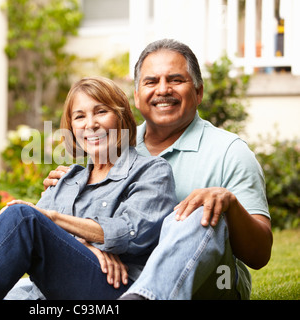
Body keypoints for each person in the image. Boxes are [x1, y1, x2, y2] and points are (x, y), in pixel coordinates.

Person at [44, 39, 273, 300]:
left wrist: (229, 205)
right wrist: (70, 189)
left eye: (176, 80)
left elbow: (260, 254)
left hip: (208, 285)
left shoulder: (230, 151)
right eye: (151, 82)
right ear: (137, 96)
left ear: (198, 92)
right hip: (119, 278)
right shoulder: (112, 144)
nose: (163, 90)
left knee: (198, 208)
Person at [0, 76, 177, 300]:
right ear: (72, 127)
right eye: (79, 117)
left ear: (121, 117)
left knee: (24, 217)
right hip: (54, 291)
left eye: (101, 112)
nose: (91, 124)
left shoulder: (152, 171)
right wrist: (83, 246)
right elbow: (21, 233)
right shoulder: (68, 178)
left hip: (116, 287)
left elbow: (131, 232)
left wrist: (56, 220)